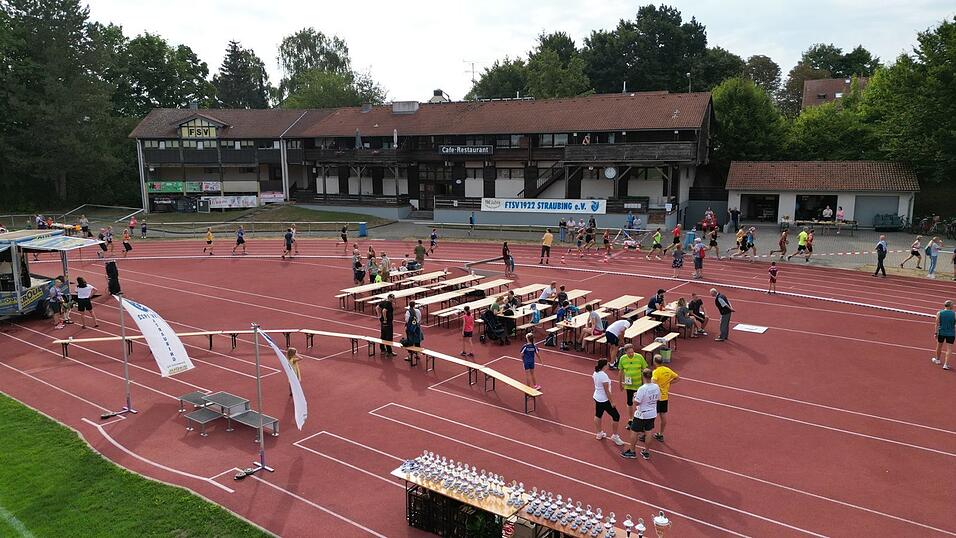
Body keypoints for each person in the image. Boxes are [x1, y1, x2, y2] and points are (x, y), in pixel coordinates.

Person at [621, 368, 660, 460]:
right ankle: (646, 452)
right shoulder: (656, 386)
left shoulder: (642, 389)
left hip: (642, 414)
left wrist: (634, 397)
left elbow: (637, 402)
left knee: (634, 431)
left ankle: (632, 451)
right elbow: (658, 399)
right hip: (652, 413)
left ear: (643, 376)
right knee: (648, 432)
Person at [593, 359, 626, 446]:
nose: (608, 366)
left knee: (598, 415)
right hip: (604, 399)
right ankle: (615, 436)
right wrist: (612, 402)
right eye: (607, 364)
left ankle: (599, 433)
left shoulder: (595, 373)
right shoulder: (603, 376)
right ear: (604, 366)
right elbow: (607, 391)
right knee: (616, 416)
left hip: (597, 397)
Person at [651, 355, 678, 442]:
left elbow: (653, 384)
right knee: (663, 415)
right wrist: (669, 383)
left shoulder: (656, 372)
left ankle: (647, 433)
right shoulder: (667, 370)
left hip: (657, 398)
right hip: (664, 397)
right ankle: (661, 434)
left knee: (651, 416)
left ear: (655, 362)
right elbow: (677, 378)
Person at [617, 344, 648, 418]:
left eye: (632, 352)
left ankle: (641, 418)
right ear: (625, 352)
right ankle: (631, 419)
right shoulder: (622, 359)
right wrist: (620, 384)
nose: (631, 354)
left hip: (639, 385)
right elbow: (620, 372)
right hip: (629, 385)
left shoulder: (639, 357)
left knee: (640, 402)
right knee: (629, 403)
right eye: (629, 353)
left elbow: (645, 370)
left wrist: (645, 384)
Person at [931, 300, 955, 370]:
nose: (953, 306)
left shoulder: (939, 313)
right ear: (950, 306)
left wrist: (935, 333)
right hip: (951, 333)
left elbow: (937, 324)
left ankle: (937, 360)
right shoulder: (954, 314)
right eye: (952, 305)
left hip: (941, 332)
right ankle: (946, 364)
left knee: (939, 346)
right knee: (949, 349)